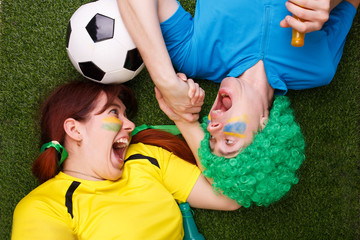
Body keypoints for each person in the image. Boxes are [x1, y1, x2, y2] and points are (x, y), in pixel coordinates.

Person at [116, 0, 359, 206]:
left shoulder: (193, 56)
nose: (210, 127)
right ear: (265, 129)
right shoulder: (317, 68)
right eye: (229, 140)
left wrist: (166, 82)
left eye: (211, 139)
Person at [11, 81, 240, 240]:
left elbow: (229, 197)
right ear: (74, 129)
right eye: (113, 113)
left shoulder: (145, 157)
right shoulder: (43, 207)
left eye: (126, 115)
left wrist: (184, 120)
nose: (130, 125)